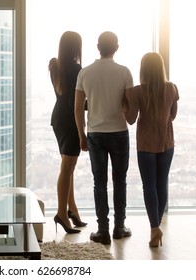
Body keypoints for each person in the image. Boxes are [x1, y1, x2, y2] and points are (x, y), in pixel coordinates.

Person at [74, 31, 133, 244]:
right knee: (120, 181)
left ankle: (102, 230)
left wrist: (81, 135)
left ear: (97, 47)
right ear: (116, 47)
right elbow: (129, 106)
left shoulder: (85, 73)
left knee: (99, 182)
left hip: (95, 133)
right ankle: (119, 227)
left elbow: (78, 108)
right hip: (119, 131)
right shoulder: (124, 72)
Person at [123, 52, 179, 247]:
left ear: (143, 69)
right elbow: (172, 116)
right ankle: (157, 227)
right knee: (161, 185)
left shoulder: (138, 91)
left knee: (149, 186)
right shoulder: (172, 88)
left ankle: (155, 228)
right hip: (167, 143)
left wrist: (124, 105)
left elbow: (130, 119)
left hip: (146, 145)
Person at [49, 31, 87, 234]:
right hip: (71, 121)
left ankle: (72, 210)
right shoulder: (77, 70)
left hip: (58, 119)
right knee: (67, 168)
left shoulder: (54, 65)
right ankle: (62, 213)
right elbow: (78, 103)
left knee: (68, 167)